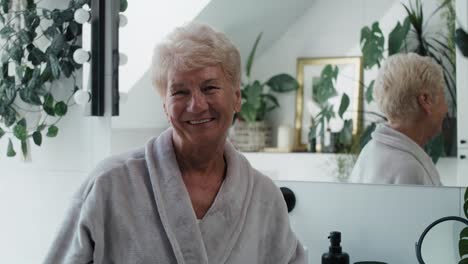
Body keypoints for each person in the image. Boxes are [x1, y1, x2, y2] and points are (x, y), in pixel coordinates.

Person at [43, 23, 305, 264]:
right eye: (180, 91)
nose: (197, 105)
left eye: (210, 87)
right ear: (166, 107)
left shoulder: (264, 197)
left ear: (236, 97)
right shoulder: (110, 183)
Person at [349, 53, 447, 186]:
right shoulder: (408, 169)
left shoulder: (369, 151)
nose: (446, 109)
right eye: (443, 96)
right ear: (426, 100)